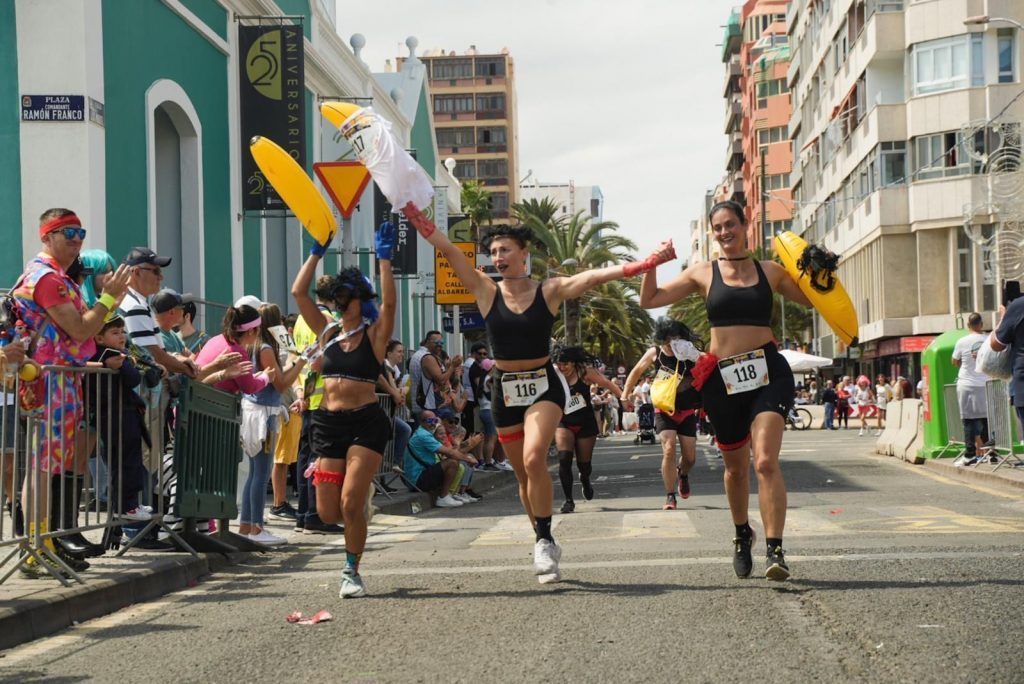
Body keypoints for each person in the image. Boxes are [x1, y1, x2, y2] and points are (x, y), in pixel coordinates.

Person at [406, 209, 675, 584]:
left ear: (524, 252)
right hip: (505, 390)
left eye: (505, 249)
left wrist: (644, 264)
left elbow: (593, 276)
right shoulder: (486, 289)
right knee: (522, 474)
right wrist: (417, 217)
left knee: (535, 458)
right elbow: (450, 251)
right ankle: (541, 537)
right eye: (494, 251)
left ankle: (546, 538)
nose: (499, 257)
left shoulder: (548, 290)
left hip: (543, 385)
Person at [638, 199, 813, 581]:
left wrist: (817, 267)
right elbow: (649, 300)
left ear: (745, 225)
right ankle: (741, 534)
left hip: (768, 372)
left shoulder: (771, 271)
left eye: (730, 224)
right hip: (723, 380)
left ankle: (775, 550)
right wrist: (652, 263)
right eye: (717, 227)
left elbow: (818, 297)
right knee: (735, 470)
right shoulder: (703, 272)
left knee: (764, 461)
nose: (724, 233)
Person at [11, 208, 131, 578]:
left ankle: (43, 541)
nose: (77, 238)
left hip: (58, 381)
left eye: (80, 231)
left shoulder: (57, 277)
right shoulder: (48, 279)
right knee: (42, 467)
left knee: (47, 467)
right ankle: (35, 546)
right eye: (66, 232)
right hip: (49, 382)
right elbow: (81, 331)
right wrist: (108, 299)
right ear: (46, 235)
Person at [290, 223, 397, 598]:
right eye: (338, 296)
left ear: (359, 298)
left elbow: (390, 304)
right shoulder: (328, 333)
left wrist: (384, 259)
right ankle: (358, 506)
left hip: (366, 422)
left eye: (347, 295)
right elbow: (298, 292)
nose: (340, 302)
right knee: (328, 514)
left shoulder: (374, 335)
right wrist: (316, 252)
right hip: (328, 423)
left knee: (351, 503)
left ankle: (351, 570)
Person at [236, 302, 306, 544]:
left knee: (256, 473)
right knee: (261, 473)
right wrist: (300, 363)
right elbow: (282, 383)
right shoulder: (265, 348)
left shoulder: (257, 346)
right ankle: (256, 528)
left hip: (257, 411)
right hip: (262, 414)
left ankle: (247, 525)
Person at [622, 317, 703, 511]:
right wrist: (625, 394)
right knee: (668, 449)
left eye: (673, 340)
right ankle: (670, 496)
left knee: (690, 458)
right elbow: (636, 371)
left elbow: (708, 371)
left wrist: (697, 357)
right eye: (665, 340)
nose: (669, 345)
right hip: (664, 409)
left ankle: (682, 474)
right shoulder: (655, 352)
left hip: (687, 409)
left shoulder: (691, 353)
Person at [291, 278, 343, 536]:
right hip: (323, 398)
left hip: (306, 396)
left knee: (305, 459)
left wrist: (300, 391)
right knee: (319, 459)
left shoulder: (302, 318)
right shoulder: (329, 322)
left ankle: (303, 514)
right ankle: (316, 514)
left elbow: (297, 357)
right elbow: (320, 361)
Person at [553, 346, 621, 514]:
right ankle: (569, 500)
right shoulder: (554, 374)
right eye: (559, 364)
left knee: (584, 465)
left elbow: (607, 383)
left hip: (585, 423)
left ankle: (585, 480)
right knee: (564, 459)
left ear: (574, 363)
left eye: (566, 364)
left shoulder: (585, 372)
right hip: (563, 422)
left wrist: (624, 398)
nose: (563, 368)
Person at [402, 410, 472, 506]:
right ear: (422, 422)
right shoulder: (423, 435)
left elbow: (450, 451)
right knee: (452, 462)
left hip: (417, 478)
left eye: (435, 421)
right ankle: (443, 497)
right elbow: (450, 452)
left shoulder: (426, 433)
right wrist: (468, 459)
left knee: (457, 463)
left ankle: (450, 494)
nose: (433, 424)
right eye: (430, 421)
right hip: (416, 481)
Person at [952, 313, 990, 466]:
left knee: (968, 420)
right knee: (987, 420)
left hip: (967, 384)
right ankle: (991, 454)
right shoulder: (988, 339)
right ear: (981, 324)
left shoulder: (962, 341)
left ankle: (969, 455)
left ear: (968, 325)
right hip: (986, 383)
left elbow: (954, 361)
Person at [377, 339, 412, 492]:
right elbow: (392, 388)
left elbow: (398, 389)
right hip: (381, 410)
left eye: (403, 352)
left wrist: (402, 391)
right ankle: (381, 476)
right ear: (389, 353)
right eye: (399, 351)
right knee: (381, 445)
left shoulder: (394, 370)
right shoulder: (384, 367)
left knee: (403, 431)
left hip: (389, 410)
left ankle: (392, 464)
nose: (402, 355)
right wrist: (399, 392)